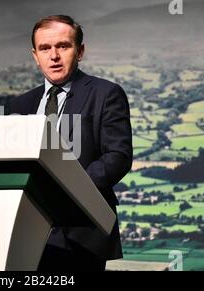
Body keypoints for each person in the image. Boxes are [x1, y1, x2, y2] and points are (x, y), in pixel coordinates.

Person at [10, 15, 133, 271]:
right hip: (24, 231)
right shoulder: (20, 105)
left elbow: (117, 156)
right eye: (45, 48)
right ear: (35, 55)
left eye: (63, 46)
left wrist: (72, 190)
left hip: (81, 230)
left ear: (80, 51)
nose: (53, 55)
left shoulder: (105, 94)